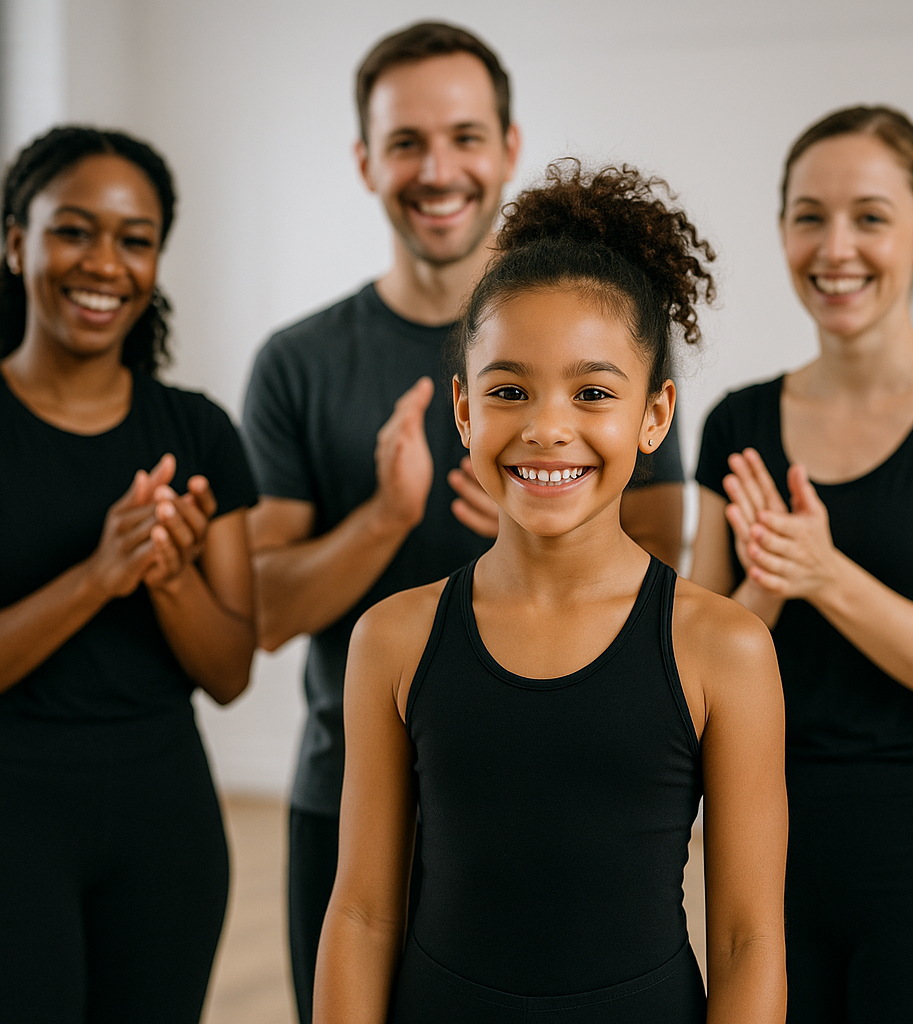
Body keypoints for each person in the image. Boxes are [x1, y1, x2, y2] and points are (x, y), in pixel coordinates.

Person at [241, 21, 687, 1022]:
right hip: (352, 790)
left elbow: (666, 570)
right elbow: (257, 615)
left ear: (509, 145)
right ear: (365, 161)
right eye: (405, 141)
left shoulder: (610, 332)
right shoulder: (299, 362)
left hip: (572, 787)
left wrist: (542, 517)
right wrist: (383, 521)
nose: (436, 168)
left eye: (463, 135)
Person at [313, 160, 787, 1024]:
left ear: (655, 414)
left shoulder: (726, 648)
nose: (546, 426)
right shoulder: (393, 638)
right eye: (509, 390)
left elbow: (749, 941)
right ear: (463, 411)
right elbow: (362, 913)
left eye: (593, 391)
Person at [0, 126, 258, 1024]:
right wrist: (97, 574)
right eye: (73, 230)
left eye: (135, 239)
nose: (105, 263)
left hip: (166, 817)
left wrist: (168, 578)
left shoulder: (199, 433)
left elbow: (232, 672)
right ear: (17, 243)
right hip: (2, 819)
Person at [691, 106, 913, 1023]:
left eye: (870, 216)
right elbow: (686, 665)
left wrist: (826, 574)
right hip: (765, 838)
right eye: (809, 215)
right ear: (782, 232)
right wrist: (766, 587)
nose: (835, 246)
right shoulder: (735, 424)